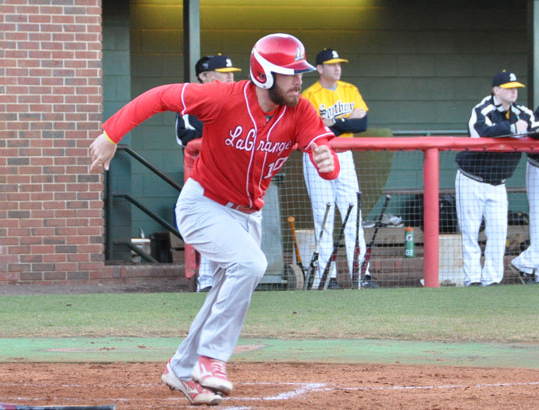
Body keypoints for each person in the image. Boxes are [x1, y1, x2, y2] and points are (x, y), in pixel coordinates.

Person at [89, 33, 339, 406]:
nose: (298, 80)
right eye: (289, 73)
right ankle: (211, 360)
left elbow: (324, 156)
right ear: (264, 74)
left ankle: (182, 367)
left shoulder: (299, 110)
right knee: (251, 263)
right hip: (202, 205)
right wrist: (112, 133)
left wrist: (326, 162)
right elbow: (158, 97)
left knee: (226, 287)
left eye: (299, 72)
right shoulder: (222, 97)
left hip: (247, 215)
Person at [301, 48, 378, 290]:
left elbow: (362, 123)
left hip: (345, 156)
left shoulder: (350, 89)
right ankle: (326, 277)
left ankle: (361, 274)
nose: (337, 68)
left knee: (352, 214)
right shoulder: (309, 95)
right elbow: (316, 129)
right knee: (324, 216)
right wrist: (345, 121)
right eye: (331, 64)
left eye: (339, 64)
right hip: (319, 156)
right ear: (320, 69)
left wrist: (334, 122)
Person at [456, 70, 538, 287]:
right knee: (470, 231)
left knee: (498, 233)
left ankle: (491, 279)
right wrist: (510, 129)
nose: (514, 92)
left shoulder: (523, 112)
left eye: (516, 89)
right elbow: (477, 132)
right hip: (471, 178)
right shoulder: (483, 108)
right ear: (496, 90)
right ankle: (472, 278)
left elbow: (534, 127)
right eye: (509, 88)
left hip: (499, 182)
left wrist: (523, 129)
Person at [175, 54, 241, 292]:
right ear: (205, 76)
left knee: (234, 228)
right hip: (201, 175)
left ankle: (229, 280)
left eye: (231, 72)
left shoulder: (239, 100)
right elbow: (185, 136)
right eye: (224, 72)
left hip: (233, 174)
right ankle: (206, 280)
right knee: (209, 225)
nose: (230, 76)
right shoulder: (192, 100)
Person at [509, 105, 539, 284]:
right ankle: (526, 264)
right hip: (537, 167)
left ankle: (527, 264)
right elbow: (532, 132)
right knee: (537, 220)